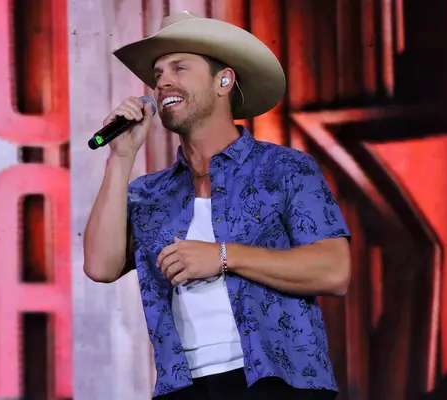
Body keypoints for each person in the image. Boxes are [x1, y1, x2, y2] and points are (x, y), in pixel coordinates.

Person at [83, 11, 351, 400]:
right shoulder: (150, 192)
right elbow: (100, 266)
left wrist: (223, 257)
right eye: (158, 75)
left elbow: (335, 270)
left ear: (224, 80)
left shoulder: (284, 168)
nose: (163, 83)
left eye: (180, 68)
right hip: (185, 387)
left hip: (276, 381)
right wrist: (121, 157)